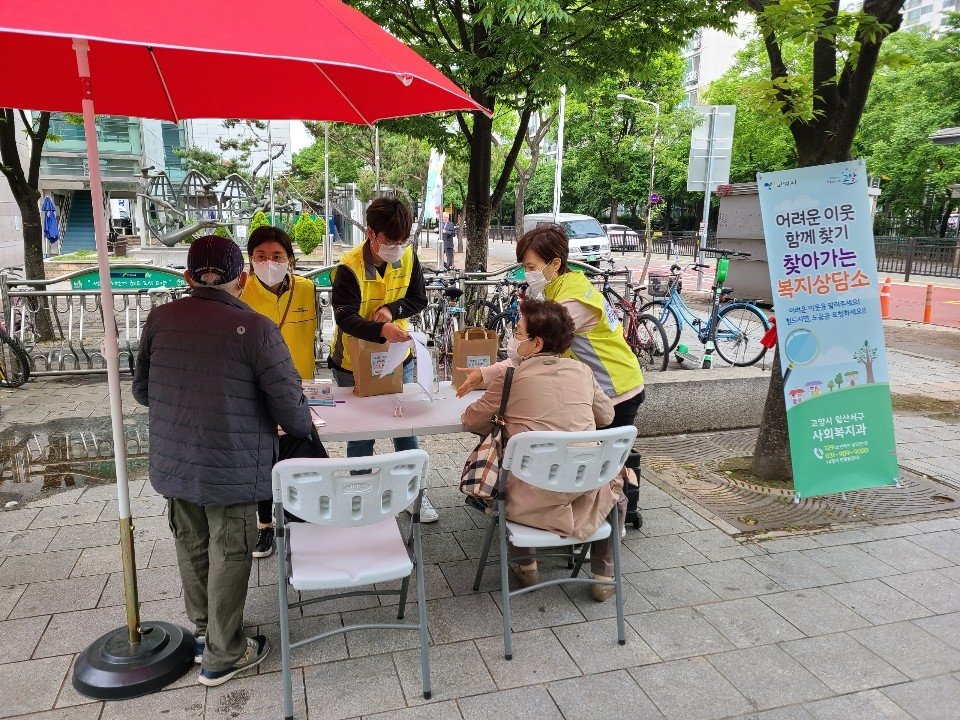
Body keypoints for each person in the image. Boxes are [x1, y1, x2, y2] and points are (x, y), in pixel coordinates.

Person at [132, 235, 312, 686]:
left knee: (191, 543)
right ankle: (223, 653)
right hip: (233, 462)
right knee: (230, 549)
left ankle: (204, 632)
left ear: (188, 277)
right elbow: (292, 413)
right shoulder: (256, 328)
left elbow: (141, 391)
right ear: (243, 278)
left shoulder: (160, 318)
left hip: (176, 460)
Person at [461, 299, 622, 601]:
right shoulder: (583, 371)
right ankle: (604, 575)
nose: (513, 337)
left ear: (535, 344)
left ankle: (527, 564)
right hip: (585, 488)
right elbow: (607, 417)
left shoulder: (510, 379)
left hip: (529, 497)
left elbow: (472, 420)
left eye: (518, 332)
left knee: (509, 476)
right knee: (617, 486)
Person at [329, 197, 439, 522]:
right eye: (390, 241)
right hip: (353, 364)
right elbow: (345, 318)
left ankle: (415, 493)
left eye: (403, 241)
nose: (397, 247)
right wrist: (381, 331)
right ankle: (360, 497)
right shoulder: (348, 267)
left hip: (397, 358)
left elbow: (417, 298)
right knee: (361, 435)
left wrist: (393, 311)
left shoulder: (408, 257)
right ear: (371, 233)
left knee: (405, 430)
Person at [240, 225, 318, 559]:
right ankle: (264, 526)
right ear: (250, 260)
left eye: (277, 256)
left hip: (298, 386)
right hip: (253, 388)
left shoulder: (307, 288)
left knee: (299, 448)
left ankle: (304, 517)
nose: (269, 263)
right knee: (262, 457)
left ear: (290, 259)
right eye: (261, 256)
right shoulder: (240, 291)